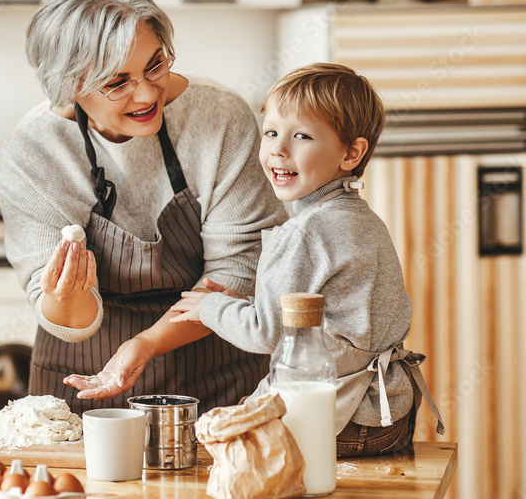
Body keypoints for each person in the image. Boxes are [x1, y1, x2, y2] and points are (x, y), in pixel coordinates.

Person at [0, 0, 287, 414]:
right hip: (84, 377)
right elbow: (63, 317)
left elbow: (240, 267)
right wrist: (66, 298)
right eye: (117, 82)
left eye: (155, 64)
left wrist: (149, 343)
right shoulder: (32, 153)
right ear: (71, 85)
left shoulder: (219, 117)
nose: (147, 94)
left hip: (220, 368)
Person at [169, 63, 445, 456]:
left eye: (301, 135)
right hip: (391, 415)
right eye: (270, 132)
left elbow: (265, 333)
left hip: (343, 418)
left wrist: (209, 307)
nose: (279, 149)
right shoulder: (360, 217)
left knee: (222, 450)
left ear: (351, 152)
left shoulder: (306, 233)